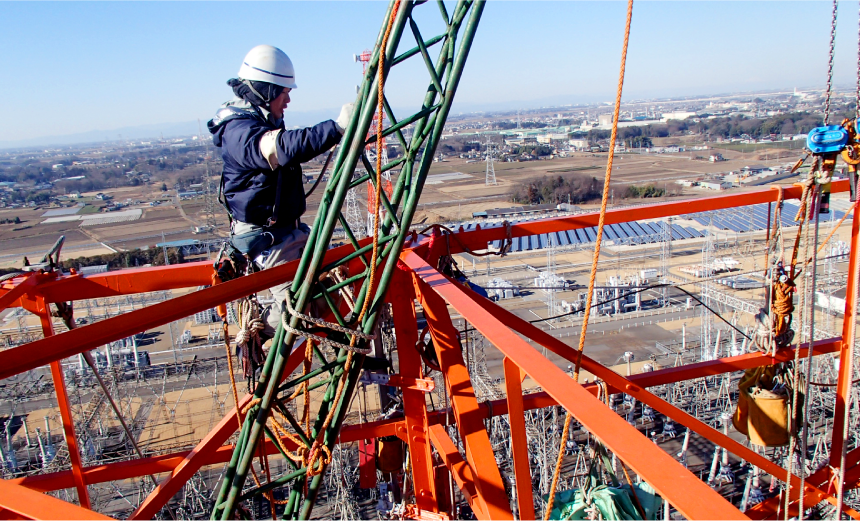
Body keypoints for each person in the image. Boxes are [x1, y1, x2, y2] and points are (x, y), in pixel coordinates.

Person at [208, 44, 354, 338]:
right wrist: (336, 128)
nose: (287, 100)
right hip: (268, 242)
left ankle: (341, 342)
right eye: (283, 92)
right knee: (297, 310)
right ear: (265, 90)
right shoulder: (240, 131)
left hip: (286, 233)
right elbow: (281, 147)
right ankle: (261, 338)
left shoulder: (256, 123)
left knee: (338, 279)